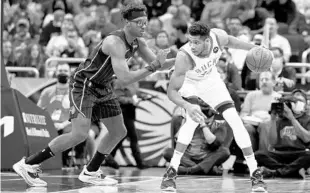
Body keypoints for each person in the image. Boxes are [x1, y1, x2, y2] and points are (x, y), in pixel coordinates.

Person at [13, 3, 174, 187]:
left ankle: (91, 171)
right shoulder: (115, 42)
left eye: (145, 22)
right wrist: (154, 66)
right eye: (139, 22)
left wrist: (186, 58)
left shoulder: (139, 42)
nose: (143, 26)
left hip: (102, 86)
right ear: (127, 23)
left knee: (119, 131)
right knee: (79, 134)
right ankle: (29, 164)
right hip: (84, 85)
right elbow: (125, 78)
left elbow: (159, 63)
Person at [160, 22, 269, 192]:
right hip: (190, 84)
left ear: (207, 41)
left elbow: (232, 41)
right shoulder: (184, 56)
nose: (192, 45)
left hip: (211, 81)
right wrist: (187, 105)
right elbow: (172, 91)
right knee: (190, 122)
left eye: (196, 42)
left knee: (235, 121)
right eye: (190, 41)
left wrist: (253, 47)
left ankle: (255, 173)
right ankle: (171, 172)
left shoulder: (217, 36)